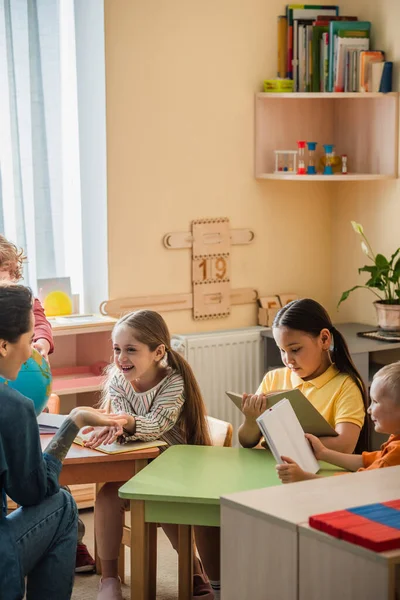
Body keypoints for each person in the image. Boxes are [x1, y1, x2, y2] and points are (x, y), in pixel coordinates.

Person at [0, 282, 128, 599]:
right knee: (63, 505)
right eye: (29, 341)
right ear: (3, 345)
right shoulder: (13, 407)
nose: (31, 352)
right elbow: (33, 492)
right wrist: (72, 424)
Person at [83, 310, 220, 600]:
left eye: (131, 350)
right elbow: (118, 417)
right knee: (107, 497)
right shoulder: (118, 379)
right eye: (117, 349)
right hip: (135, 465)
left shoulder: (174, 383)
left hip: (173, 466)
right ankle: (109, 580)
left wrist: (125, 424)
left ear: (158, 352)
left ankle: (194, 571)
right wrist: (111, 429)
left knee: (160, 498)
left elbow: (158, 424)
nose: (121, 358)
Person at [0, 234, 95, 572]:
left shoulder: (23, 302)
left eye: (9, 271)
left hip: (25, 397)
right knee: (40, 484)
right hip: (9, 398)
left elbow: (39, 321)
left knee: (38, 466)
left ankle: (73, 543)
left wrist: (39, 340)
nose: (6, 278)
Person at [238, 298, 367, 453]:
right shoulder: (273, 378)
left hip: (319, 473)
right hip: (273, 468)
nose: (287, 359)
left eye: (295, 349)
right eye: (282, 350)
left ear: (324, 339)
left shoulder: (345, 386)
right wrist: (251, 421)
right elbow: (246, 442)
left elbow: (345, 445)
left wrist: (285, 443)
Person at [276, 361, 400, 483]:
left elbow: (357, 485)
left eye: (375, 402)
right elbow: (372, 461)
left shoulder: (396, 453)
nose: (369, 409)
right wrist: (324, 453)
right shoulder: (395, 443)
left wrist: (304, 478)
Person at [0, 234, 53, 361]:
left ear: (12, 276)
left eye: (2, 281)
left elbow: (41, 325)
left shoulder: (26, 301)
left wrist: (42, 343)